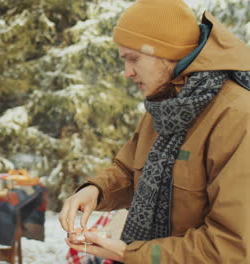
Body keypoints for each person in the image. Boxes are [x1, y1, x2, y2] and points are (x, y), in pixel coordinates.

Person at [59, 0, 250, 263]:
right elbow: (130, 170)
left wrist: (130, 253)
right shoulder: (166, 104)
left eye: (133, 58)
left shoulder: (238, 116)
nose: (126, 72)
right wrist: (95, 191)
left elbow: (230, 248)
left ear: (167, 52)